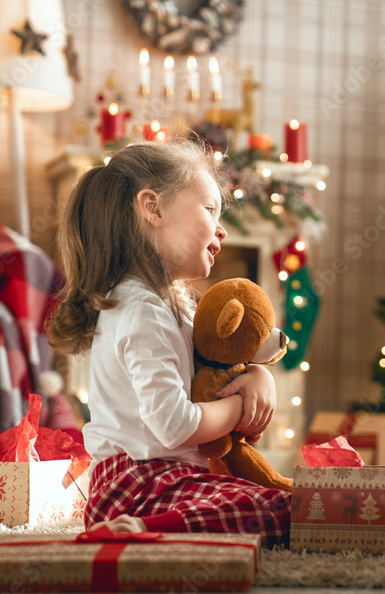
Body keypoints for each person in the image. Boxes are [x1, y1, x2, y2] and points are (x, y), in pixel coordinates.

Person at [48, 141, 289, 543]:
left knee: (285, 505)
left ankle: (160, 525)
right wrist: (239, 405)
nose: (222, 229)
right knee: (280, 509)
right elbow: (175, 424)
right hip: (138, 485)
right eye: (210, 209)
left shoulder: (168, 304)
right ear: (153, 208)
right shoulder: (141, 309)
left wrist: (259, 377)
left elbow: (215, 367)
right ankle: (143, 530)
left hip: (164, 479)